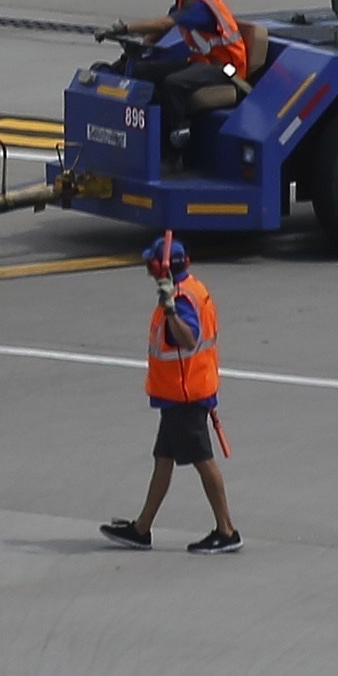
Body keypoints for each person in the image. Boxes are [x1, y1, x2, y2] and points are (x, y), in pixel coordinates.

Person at [103, 234, 239, 552]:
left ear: (162, 267)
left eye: (151, 263)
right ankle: (141, 529)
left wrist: (169, 312)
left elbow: (189, 339)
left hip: (185, 395)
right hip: (183, 392)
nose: (147, 268)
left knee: (203, 461)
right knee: (163, 459)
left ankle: (227, 530)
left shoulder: (180, 299)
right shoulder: (195, 288)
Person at [113, 0, 247, 118]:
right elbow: (162, 29)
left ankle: (179, 132)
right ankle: (149, 122)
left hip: (225, 68)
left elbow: (165, 23)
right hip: (202, 62)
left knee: (174, 83)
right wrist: (142, 48)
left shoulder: (200, 4)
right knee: (142, 70)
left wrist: (125, 28)